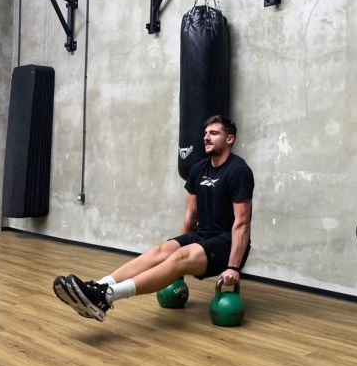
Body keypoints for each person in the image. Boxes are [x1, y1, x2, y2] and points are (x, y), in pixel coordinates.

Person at [53, 115, 254, 322]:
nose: (206, 137)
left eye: (214, 133)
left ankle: (107, 296)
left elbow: (242, 223)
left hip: (226, 242)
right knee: (160, 250)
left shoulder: (238, 171)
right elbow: (190, 216)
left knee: (179, 256)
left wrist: (233, 266)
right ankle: (97, 287)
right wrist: (178, 255)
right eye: (205, 133)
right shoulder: (198, 169)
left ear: (229, 139)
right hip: (201, 235)